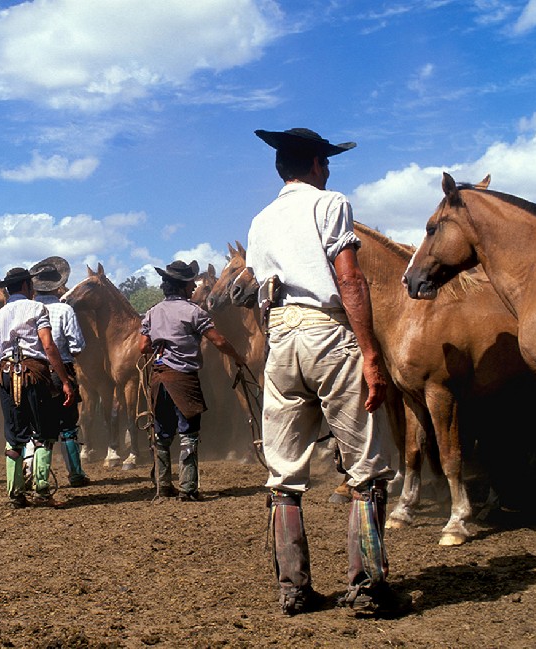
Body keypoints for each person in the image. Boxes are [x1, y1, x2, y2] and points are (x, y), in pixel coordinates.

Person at [246, 127, 408, 616]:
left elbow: (260, 292)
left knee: (283, 473)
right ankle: (366, 589)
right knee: (366, 464)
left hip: (281, 339)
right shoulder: (329, 202)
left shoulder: (259, 221)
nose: (329, 170)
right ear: (316, 165)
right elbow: (349, 277)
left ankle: (292, 588)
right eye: (327, 162)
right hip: (327, 332)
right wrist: (371, 352)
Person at [139, 260, 245, 501]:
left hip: (159, 379)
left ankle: (163, 486)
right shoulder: (194, 312)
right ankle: (188, 489)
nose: (194, 288)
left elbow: (143, 346)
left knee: (162, 434)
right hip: (183, 379)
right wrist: (237, 357)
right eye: (192, 284)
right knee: (189, 433)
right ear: (184, 287)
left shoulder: (152, 312)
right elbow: (218, 341)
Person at [0, 266, 75, 508]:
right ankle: (42, 492)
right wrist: (64, 380)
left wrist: (3, 367)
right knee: (43, 433)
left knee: (14, 437)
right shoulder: (36, 308)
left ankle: (15, 494)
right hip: (36, 375)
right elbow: (49, 346)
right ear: (26, 286)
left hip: (6, 378)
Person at [30, 256, 89, 487]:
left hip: (33, 372)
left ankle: (40, 479)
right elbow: (77, 346)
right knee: (68, 426)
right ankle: (75, 474)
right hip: (61, 370)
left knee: (40, 429)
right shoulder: (65, 310)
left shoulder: (29, 309)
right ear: (58, 285)